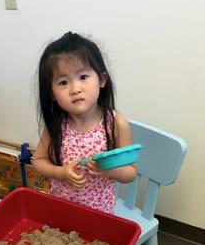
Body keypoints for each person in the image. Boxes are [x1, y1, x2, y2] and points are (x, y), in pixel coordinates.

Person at [34, 31, 137, 214]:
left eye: (83, 77)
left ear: (102, 80)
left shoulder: (116, 124)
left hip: (100, 214)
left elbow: (130, 172)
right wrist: (62, 173)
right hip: (62, 208)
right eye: (63, 82)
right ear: (52, 94)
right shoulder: (57, 124)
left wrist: (109, 171)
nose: (75, 89)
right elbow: (39, 161)